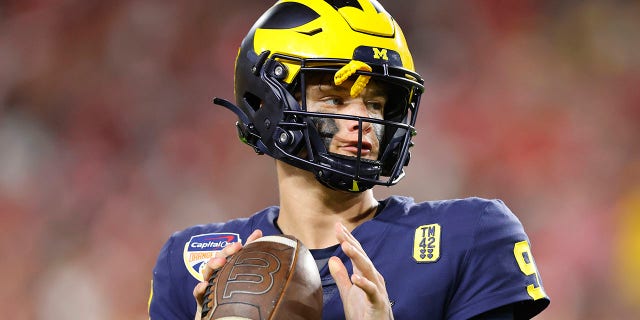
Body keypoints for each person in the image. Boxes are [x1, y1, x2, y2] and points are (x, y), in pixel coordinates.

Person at [148, 0, 550, 319]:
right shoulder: (193, 262)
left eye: (375, 104)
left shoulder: (469, 237)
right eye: (335, 99)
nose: (363, 120)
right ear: (267, 103)